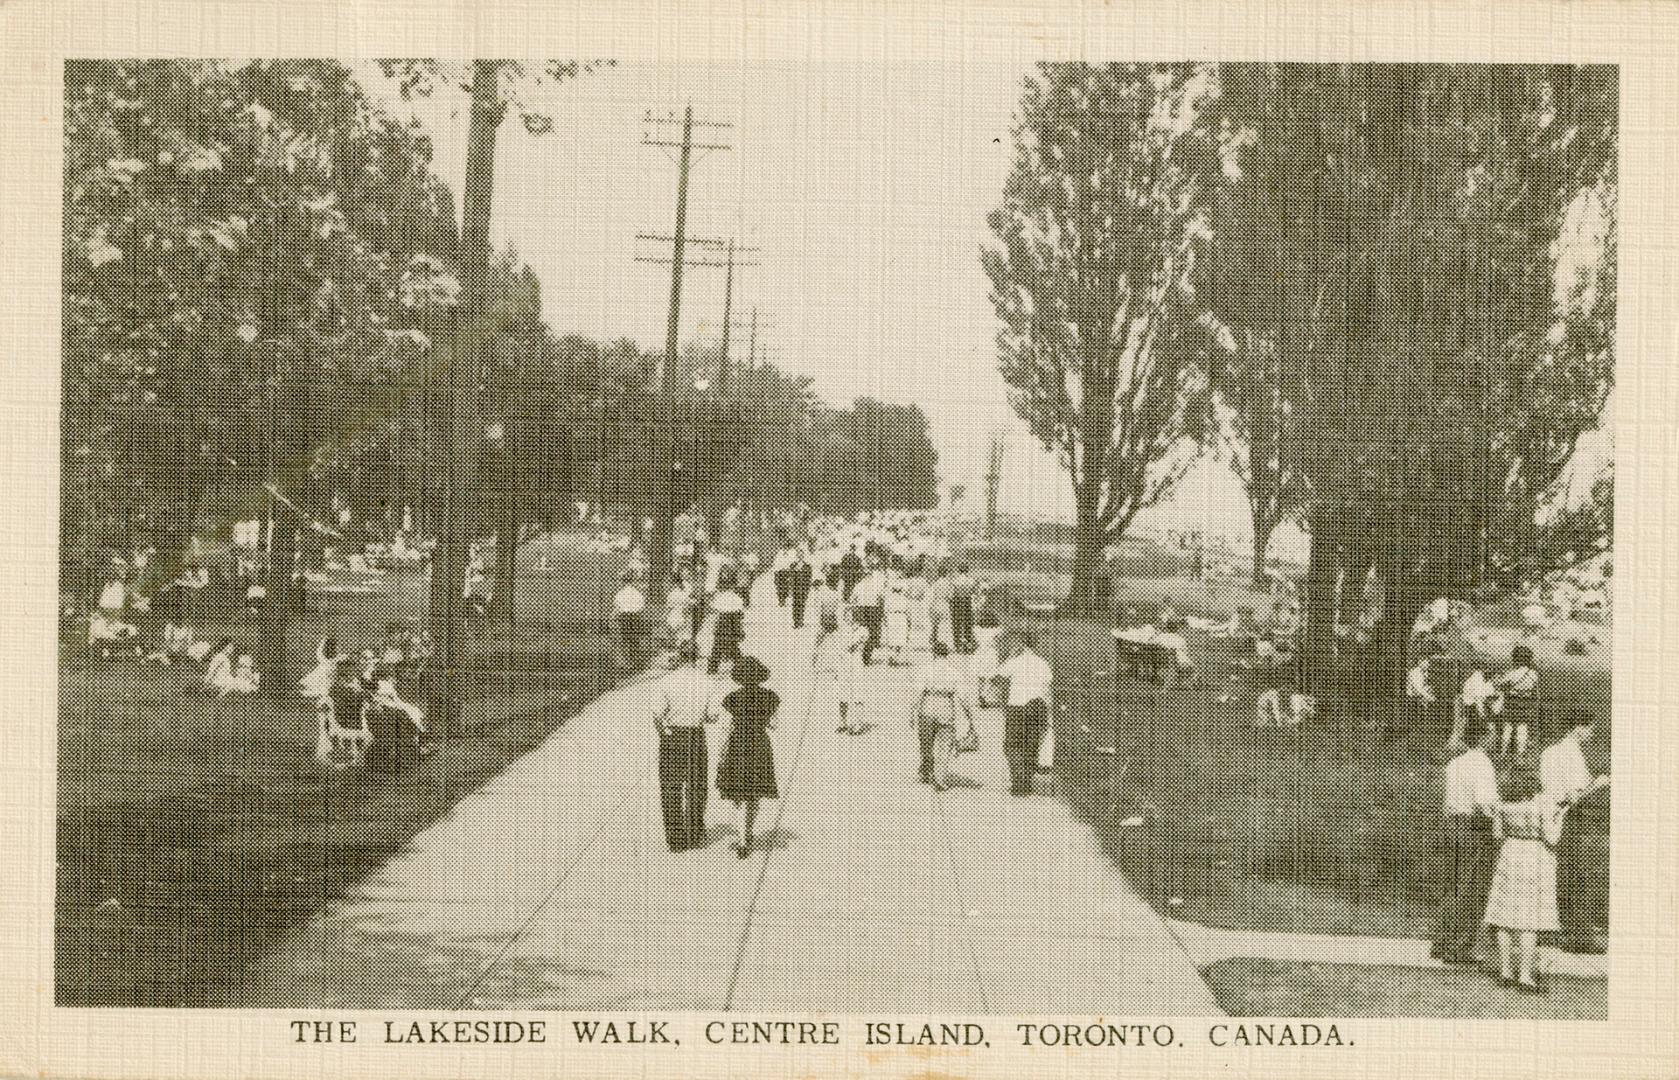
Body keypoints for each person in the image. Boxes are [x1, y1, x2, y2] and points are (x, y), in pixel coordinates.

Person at [1483, 768, 1568, 993]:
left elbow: (1498, 836)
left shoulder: (1503, 806)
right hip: (1535, 857)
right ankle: (1525, 976)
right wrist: (1561, 814)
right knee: (1528, 920)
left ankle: (1505, 972)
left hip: (1509, 855)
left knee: (1505, 918)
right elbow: (1552, 838)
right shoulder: (1543, 804)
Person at [1431, 720, 1500, 965]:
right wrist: (1499, 818)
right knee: (1470, 888)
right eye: (1491, 734)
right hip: (1472, 828)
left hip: (1451, 825)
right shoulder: (1483, 763)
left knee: (1451, 886)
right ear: (1483, 737)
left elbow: (1447, 801)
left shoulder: (1454, 763)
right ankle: (1458, 946)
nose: (1494, 738)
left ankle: (1441, 941)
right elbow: (1485, 802)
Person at [653, 642, 720, 851]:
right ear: (697, 658)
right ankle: (694, 833)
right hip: (695, 735)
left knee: (671, 787)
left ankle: (675, 839)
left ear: (680, 657)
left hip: (673, 736)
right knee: (697, 786)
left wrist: (664, 733)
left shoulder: (666, 681)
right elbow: (712, 716)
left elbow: (657, 714)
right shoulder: (707, 682)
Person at [716, 656, 779, 858]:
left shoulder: (732, 698)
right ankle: (748, 833)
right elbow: (774, 725)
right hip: (760, 745)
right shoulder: (770, 697)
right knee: (755, 794)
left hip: (738, 745)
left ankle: (742, 840)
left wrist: (721, 755)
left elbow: (726, 728)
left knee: (739, 797)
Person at [912, 643, 976, 791]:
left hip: (927, 707)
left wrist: (912, 712)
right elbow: (963, 697)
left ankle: (927, 770)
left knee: (926, 743)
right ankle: (939, 777)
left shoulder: (925, 670)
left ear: (934, 654)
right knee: (944, 745)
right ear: (947, 654)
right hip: (946, 708)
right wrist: (969, 715)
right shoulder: (954, 672)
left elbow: (917, 693)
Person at [997, 631, 1053, 796]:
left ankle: (1017, 782)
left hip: (1018, 707)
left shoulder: (1016, 662)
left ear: (1022, 644)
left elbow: (998, 675)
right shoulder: (1043, 664)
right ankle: (1027, 782)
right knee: (1032, 745)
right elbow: (1048, 690)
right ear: (1036, 645)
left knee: (1013, 746)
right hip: (1037, 707)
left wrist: (1010, 656)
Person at [1495, 645, 1540, 757]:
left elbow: (1499, 685)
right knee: (1522, 728)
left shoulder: (1512, 673)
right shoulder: (1533, 674)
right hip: (1526, 702)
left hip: (1512, 701)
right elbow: (1536, 690)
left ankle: (1503, 752)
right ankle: (1520, 755)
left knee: (1508, 727)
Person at [707, 572, 748, 675]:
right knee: (733, 646)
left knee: (717, 646)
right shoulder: (737, 597)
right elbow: (740, 613)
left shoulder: (719, 597)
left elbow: (713, 608)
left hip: (722, 622)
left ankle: (712, 668)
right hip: (733, 623)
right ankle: (740, 666)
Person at [851, 565, 886, 666]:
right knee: (871, 634)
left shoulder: (859, 585)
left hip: (866, 610)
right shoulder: (873, 585)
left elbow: (853, 600)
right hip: (869, 610)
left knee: (868, 633)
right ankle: (865, 654)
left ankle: (864, 652)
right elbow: (881, 599)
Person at [613, 571, 648, 671]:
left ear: (623, 581)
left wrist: (615, 617)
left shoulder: (620, 594)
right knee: (635, 641)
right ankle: (635, 662)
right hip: (635, 618)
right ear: (631, 581)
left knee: (625, 641)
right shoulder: (637, 593)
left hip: (624, 618)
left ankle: (626, 663)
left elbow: (617, 608)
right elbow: (642, 607)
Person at [947, 563, 977, 652]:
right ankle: (968, 644)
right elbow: (975, 594)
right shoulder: (971, 580)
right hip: (967, 602)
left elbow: (951, 594)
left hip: (957, 602)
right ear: (967, 570)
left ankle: (958, 645)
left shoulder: (955, 580)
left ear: (959, 570)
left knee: (957, 623)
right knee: (968, 623)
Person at [881, 578, 911, 666]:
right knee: (899, 638)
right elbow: (908, 611)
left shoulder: (889, 599)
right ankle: (894, 657)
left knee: (892, 638)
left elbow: (885, 610)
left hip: (892, 617)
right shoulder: (904, 599)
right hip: (900, 617)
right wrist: (909, 621)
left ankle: (892, 657)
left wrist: (885, 619)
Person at [787, 549, 814, 630]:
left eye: (801, 554)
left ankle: (801, 621)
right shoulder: (793, 566)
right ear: (797, 555)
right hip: (795, 589)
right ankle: (796, 622)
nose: (800, 556)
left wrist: (807, 589)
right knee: (795, 605)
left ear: (803, 556)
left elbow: (809, 579)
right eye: (798, 554)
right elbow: (791, 578)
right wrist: (790, 589)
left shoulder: (807, 566)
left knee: (802, 605)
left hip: (803, 589)